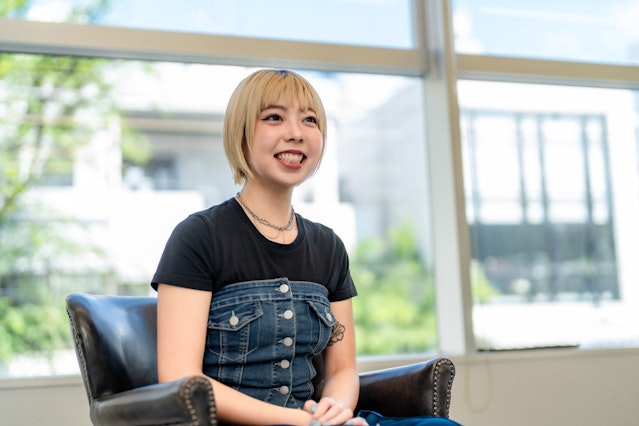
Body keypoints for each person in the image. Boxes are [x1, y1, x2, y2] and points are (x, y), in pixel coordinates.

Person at [152, 69, 462, 426]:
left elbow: (342, 369)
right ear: (241, 133)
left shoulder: (328, 246)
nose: (296, 133)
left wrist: (334, 413)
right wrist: (303, 423)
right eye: (274, 117)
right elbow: (181, 378)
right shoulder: (198, 237)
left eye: (310, 120)